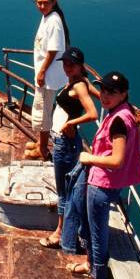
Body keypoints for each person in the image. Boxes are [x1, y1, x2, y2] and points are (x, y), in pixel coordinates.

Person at [66, 71, 140, 278]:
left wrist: (88, 158)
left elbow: (116, 161)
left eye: (112, 92)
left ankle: (96, 272)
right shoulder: (127, 112)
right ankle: (91, 265)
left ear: (124, 94)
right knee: (93, 229)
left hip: (102, 185)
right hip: (111, 184)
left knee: (96, 233)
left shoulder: (118, 120)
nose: (104, 95)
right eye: (103, 89)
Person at [38, 47, 98, 249]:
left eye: (71, 65)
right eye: (64, 64)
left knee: (64, 192)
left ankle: (59, 234)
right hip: (63, 141)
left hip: (65, 143)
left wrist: (72, 123)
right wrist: (126, 106)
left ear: (80, 66)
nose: (66, 67)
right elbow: (101, 97)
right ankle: (69, 234)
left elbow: (93, 113)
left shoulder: (79, 86)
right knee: (67, 189)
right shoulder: (80, 82)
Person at [26, 0, 70, 161]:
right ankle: (40, 143)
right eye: (39, 2)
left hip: (48, 77)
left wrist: (42, 71)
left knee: (43, 113)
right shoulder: (48, 17)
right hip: (47, 74)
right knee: (41, 110)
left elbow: (53, 50)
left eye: (46, 2)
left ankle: (42, 149)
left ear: (54, 2)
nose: (42, 5)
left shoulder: (53, 21)